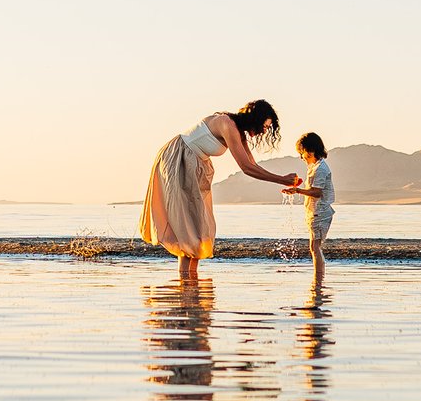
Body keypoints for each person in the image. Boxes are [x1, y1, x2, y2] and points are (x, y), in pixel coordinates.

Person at [141, 101, 294, 282]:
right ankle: (187, 284)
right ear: (254, 118)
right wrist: (281, 180)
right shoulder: (226, 123)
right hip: (180, 157)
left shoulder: (238, 133)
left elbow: (253, 164)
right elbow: (246, 168)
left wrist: (282, 179)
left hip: (198, 163)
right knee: (189, 225)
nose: (264, 131)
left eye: (267, 128)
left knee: (200, 226)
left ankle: (190, 280)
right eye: (264, 126)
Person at [280, 131, 335, 280]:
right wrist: (296, 189)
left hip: (320, 212)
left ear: (310, 150)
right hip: (315, 212)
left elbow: (316, 193)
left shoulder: (320, 169)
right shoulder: (315, 167)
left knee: (315, 247)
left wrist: (297, 190)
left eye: (302, 153)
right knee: (314, 247)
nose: (301, 157)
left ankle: (318, 280)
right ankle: (318, 279)